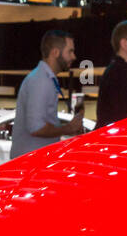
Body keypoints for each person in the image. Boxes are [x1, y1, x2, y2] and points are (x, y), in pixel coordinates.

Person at [11, 29, 83, 159]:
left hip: (32, 160)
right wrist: (68, 128)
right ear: (55, 52)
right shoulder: (41, 80)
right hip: (30, 161)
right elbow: (36, 128)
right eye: (70, 51)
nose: (74, 57)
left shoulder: (44, 78)